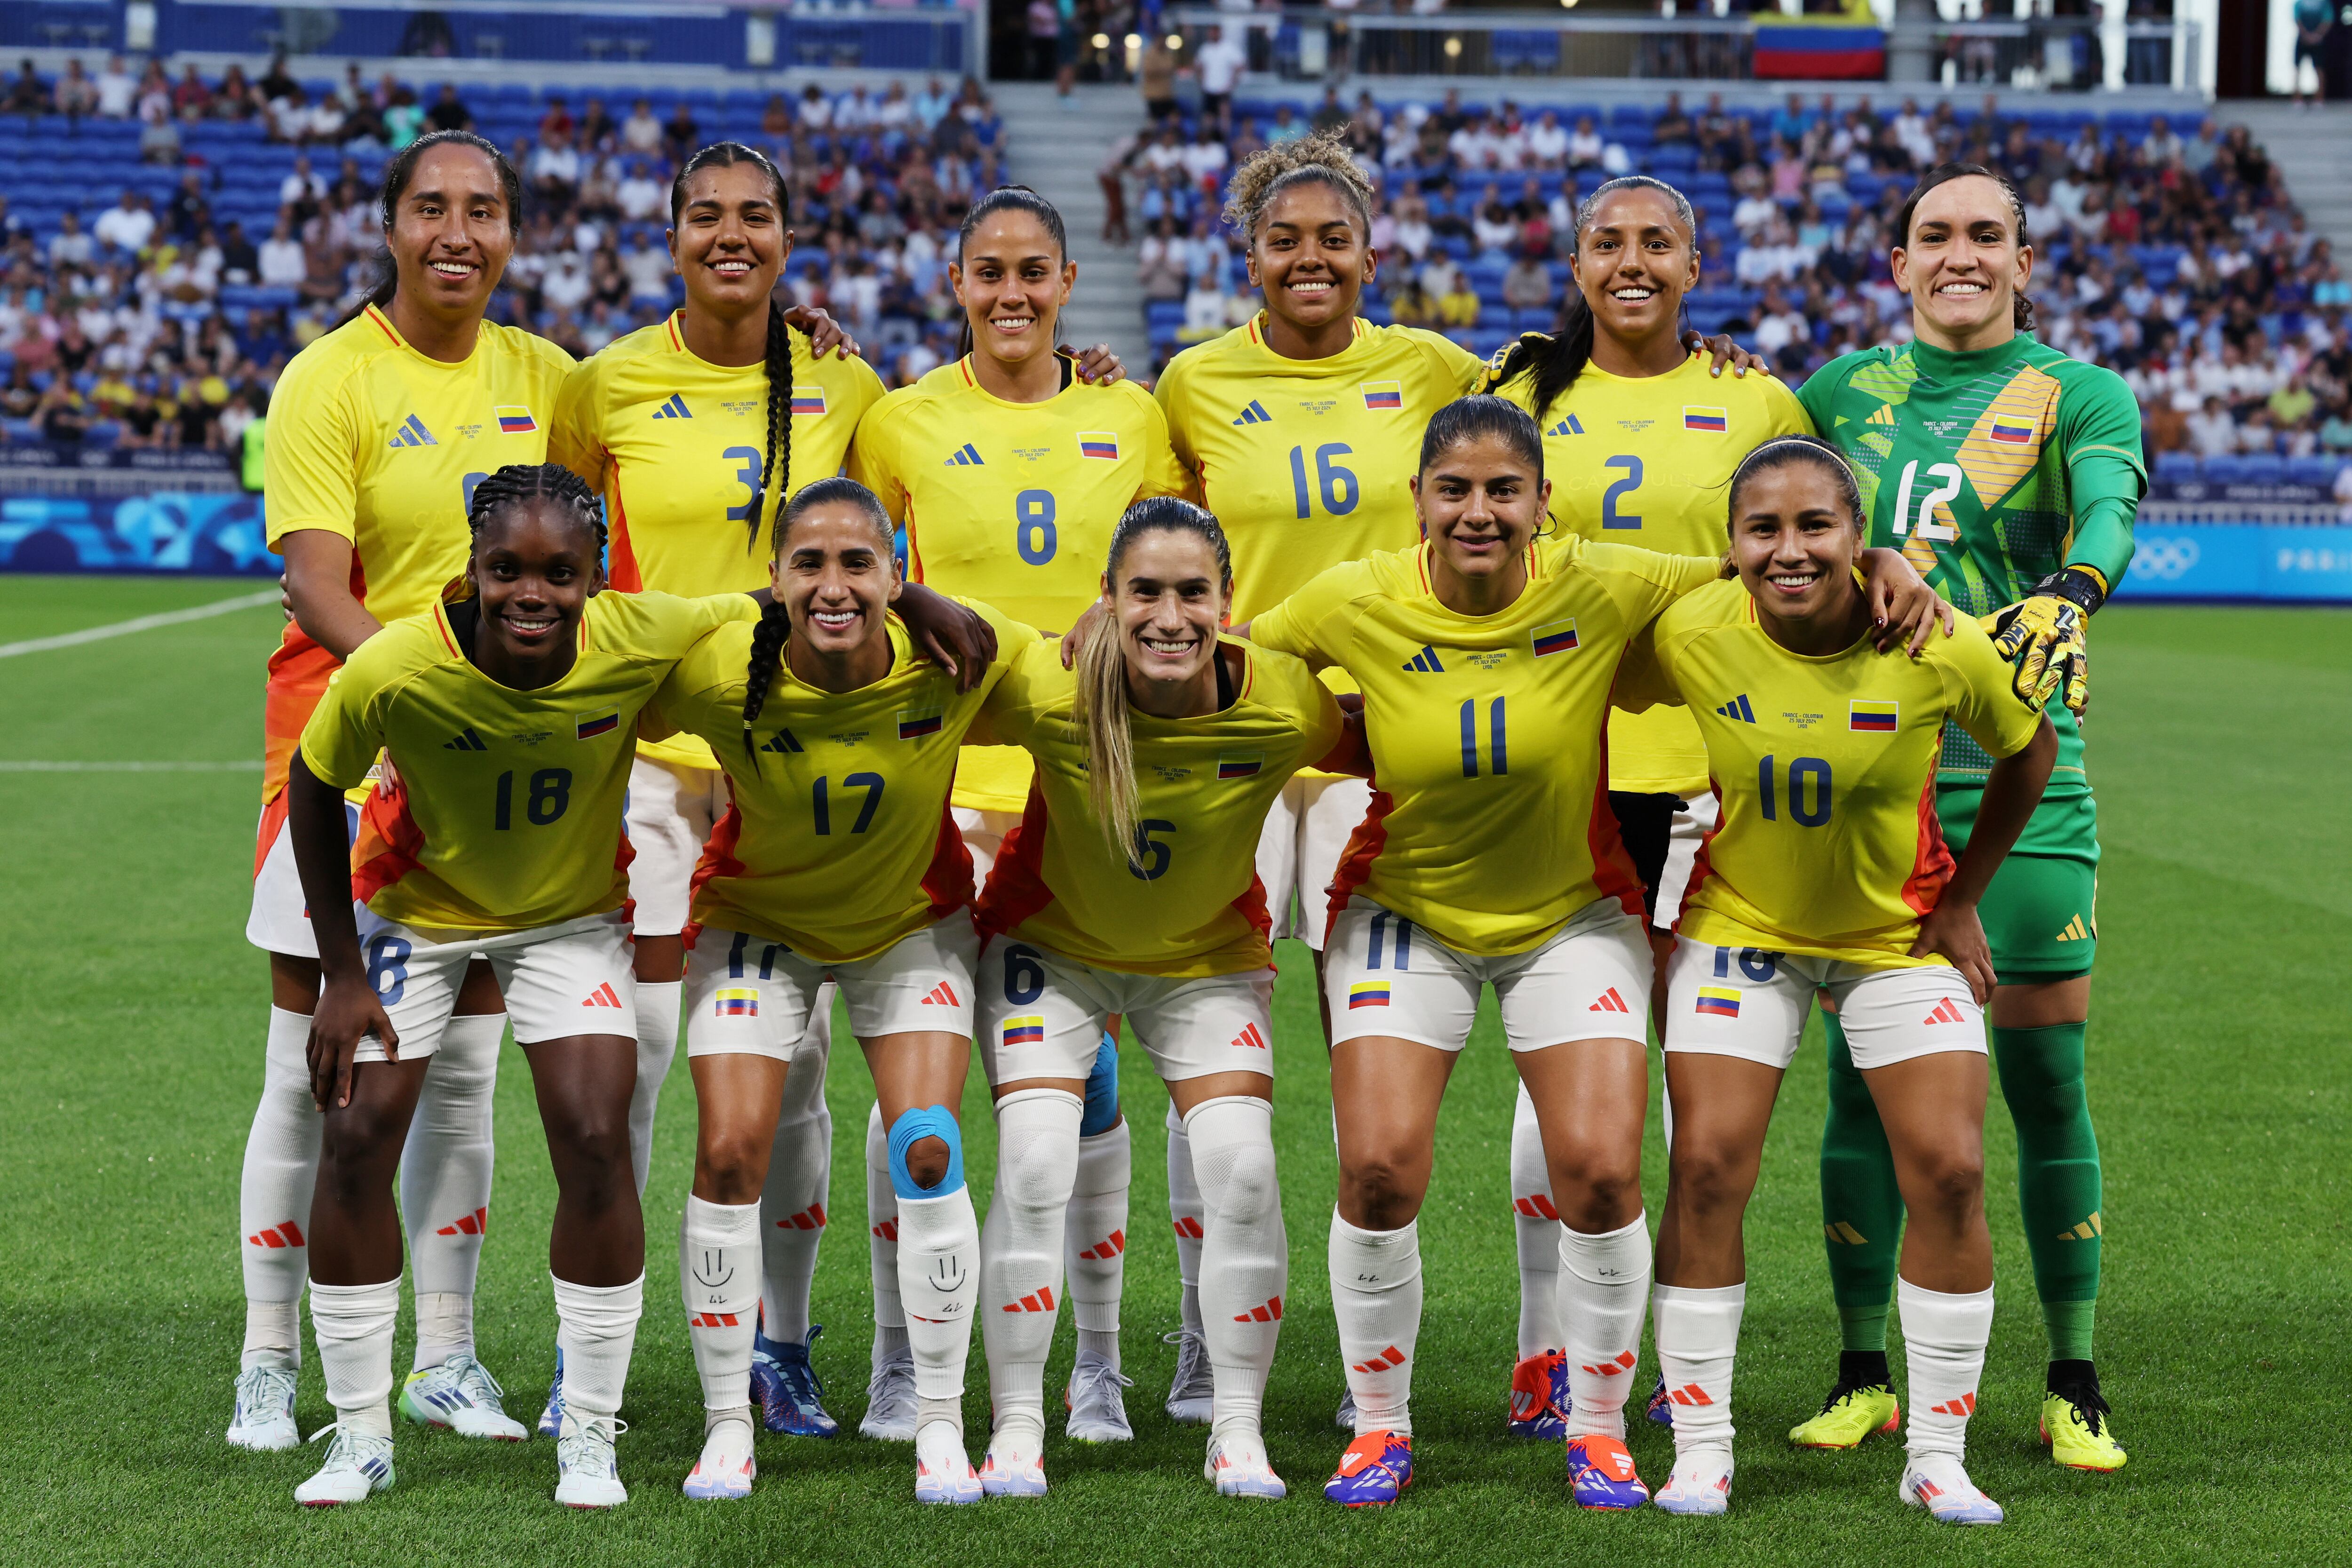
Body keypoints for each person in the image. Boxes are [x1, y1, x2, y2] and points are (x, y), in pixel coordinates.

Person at [1239, 398, 1945, 1509]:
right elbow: (1229, 657)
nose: (1479, 512)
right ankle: (1379, 1427)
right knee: (1377, 1171)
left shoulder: (1602, 580)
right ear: (1417, 501)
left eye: (1502, 491)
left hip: (1573, 914)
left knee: (1604, 1172)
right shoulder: (1354, 597)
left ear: (1541, 504)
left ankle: (1601, 1426)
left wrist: (1888, 557)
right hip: (1400, 907)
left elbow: (1760, 559)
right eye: (1454, 491)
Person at [282, 464, 759, 1508]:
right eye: (506, 570)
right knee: (359, 1136)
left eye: (558, 572)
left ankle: (588, 1432)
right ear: (472, 568)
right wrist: (342, 972)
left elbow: (770, 604)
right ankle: (358, 1431)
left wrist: (912, 597)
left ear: (597, 577)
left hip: (570, 919)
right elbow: (315, 785)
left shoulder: (638, 631)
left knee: (597, 1132)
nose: (531, 593)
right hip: (414, 910)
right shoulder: (400, 663)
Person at [1619, 436, 2054, 1523]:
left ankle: (1936, 1453)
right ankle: (1703, 1446)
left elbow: (2027, 745)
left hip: (1894, 934)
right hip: (1739, 924)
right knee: (1709, 1167)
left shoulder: (1933, 637)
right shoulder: (1690, 629)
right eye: (1762, 528)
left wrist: (1962, 898)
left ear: (1859, 539)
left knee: (1951, 1170)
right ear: (1730, 547)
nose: (1789, 548)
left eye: (1815, 524)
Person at [1789, 162, 2143, 1474]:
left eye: (1987, 233)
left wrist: (2072, 585)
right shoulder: (1836, 394)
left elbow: (2110, 498)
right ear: (1898, 264)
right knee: (1860, 1079)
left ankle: (2073, 1377)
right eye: (1935, 234)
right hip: (1862, 782)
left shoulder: (2076, 392)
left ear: (2024, 259)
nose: (1961, 253)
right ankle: (1861, 1369)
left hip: (2019, 771)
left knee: (2049, 1073)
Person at [233, 130, 569, 1458]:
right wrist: (426, 705)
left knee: (466, 1080)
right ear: (389, 226)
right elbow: (314, 578)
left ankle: (446, 1356)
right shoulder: (329, 376)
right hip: (341, 764)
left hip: (490, 786)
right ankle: (269, 1361)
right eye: (431, 205)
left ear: (511, 231)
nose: (458, 230)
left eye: (483, 208)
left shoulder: (546, 375)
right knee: (307, 1075)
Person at [1147, 131, 1488, 1426]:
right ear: (1251, 254)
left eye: (1331, 238)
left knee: (1369, 1044)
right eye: (1285, 239)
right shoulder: (1192, 380)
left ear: (1370, 250)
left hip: (1373, 747)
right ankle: (1196, 1337)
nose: (1309, 258)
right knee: (1203, 1038)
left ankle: (1367, 1378)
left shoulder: (1437, 367)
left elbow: (1557, 409)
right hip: (1228, 744)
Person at [548, 141, 888, 1441]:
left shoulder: (844, 379)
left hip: (793, 776)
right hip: (642, 768)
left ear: (790, 240)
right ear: (672, 233)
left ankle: (781, 1348)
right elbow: (559, 541)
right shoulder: (608, 382)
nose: (729, 235)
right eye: (706, 217)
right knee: (626, 1069)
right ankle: (609, 1354)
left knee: (789, 1075)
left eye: (755, 217)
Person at [849, 185, 1186, 1443]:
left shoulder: (1128, 410)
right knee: (911, 1092)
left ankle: (1095, 1362)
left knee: (1086, 1089)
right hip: (937, 794)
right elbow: (846, 559)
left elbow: (1163, 578)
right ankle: (900, 1357)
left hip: (1083, 792)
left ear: (1066, 281)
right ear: (954, 280)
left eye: (1033, 271)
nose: (1011, 293)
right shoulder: (898, 420)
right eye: (988, 271)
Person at [1480, 173, 1812, 1435]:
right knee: (1559, 1072)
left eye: (1656, 243)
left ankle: (1658, 1350)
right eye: (1608, 242)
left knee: (1683, 1077)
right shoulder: (1518, 393)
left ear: (1694, 259)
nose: (1632, 261)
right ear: (1575, 262)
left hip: (1702, 774)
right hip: (1555, 770)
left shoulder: (1752, 398)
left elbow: (1798, 557)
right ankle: (1544, 1346)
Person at [640, 478, 1025, 1504]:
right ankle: (729, 1422)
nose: (833, 583)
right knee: (729, 1151)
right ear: (773, 581)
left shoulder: (956, 660)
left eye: (859, 561)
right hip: (759, 925)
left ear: (897, 577)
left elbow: (1089, 659)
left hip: (908, 924)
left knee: (929, 1143)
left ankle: (940, 1424)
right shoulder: (724, 671)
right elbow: (605, 662)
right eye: (807, 563)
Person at [972, 498, 1353, 1500]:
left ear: (1229, 603)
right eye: (1144, 590)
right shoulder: (1042, 680)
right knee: (1037, 1157)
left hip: (1204, 961)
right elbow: (922, 675)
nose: (1169, 615)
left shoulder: (1285, 702)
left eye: (1193, 592)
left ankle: (1235, 1427)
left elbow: (1388, 738)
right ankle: (1017, 1424)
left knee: (1240, 1168)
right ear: (1104, 600)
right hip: (1050, 949)